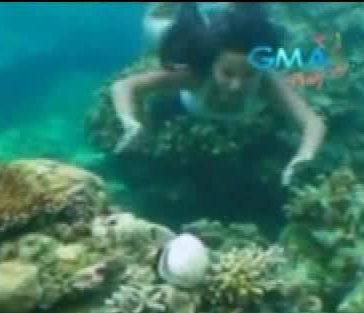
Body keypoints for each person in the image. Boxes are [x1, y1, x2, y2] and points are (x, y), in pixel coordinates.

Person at [114, 3, 327, 186]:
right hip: (186, 63)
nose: (236, 85)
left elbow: (313, 123)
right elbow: (124, 86)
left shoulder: (266, 84)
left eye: (249, 74)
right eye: (227, 73)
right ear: (212, 65)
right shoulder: (196, 75)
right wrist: (130, 122)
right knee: (157, 27)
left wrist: (305, 154)